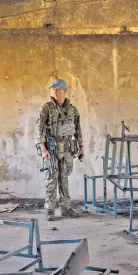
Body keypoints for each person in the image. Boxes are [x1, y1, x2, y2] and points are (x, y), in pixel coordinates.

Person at [37, 78, 84, 221]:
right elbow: (39, 130)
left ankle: (66, 208)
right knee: (51, 179)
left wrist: (81, 147)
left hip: (67, 149)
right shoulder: (46, 108)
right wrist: (43, 148)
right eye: (54, 90)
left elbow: (78, 129)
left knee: (64, 179)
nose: (56, 93)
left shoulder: (72, 110)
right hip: (51, 149)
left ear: (64, 91)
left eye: (59, 90)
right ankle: (50, 209)